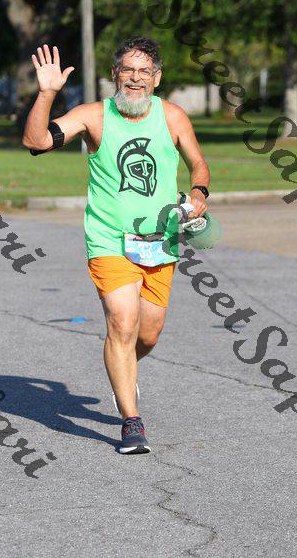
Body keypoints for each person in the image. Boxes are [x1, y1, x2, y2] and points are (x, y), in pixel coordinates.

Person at [23, 36, 210, 455]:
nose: (135, 78)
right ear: (115, 75)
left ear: (157, 78)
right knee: (122, 324)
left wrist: (199, 192)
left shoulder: (173, 116)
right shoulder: (93, 116)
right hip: (109, 238)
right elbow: (37, 142)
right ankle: (131, 420)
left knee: (148, 334)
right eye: (128, 69)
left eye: (144, 71)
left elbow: (198, 163)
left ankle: (122, 367)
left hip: (160, 239)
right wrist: (47, 93)